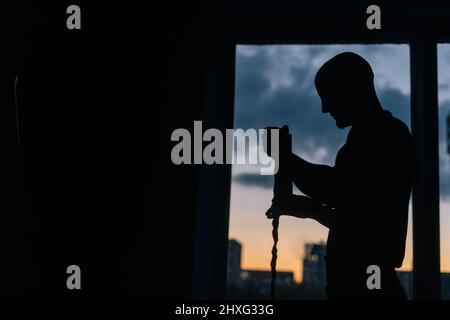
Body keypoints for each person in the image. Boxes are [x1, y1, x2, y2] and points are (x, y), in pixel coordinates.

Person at [266, 52, 415, 300]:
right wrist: (309, 207)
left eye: (329, 97)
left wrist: (286, 160)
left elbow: (339, 192)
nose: (325, 109)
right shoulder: (376, 135)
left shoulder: (386, 135)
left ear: (352, 90)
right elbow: (353, 210)